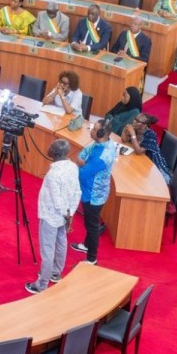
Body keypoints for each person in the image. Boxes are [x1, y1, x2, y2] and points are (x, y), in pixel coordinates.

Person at [29, 139, 81, 294]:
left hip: (51, 216)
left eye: (50, 146)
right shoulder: (73, 167)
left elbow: (56, 200)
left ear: (54, 153)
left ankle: (41, 284)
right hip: (64, 215)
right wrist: (70, 214)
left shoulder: (53, 174)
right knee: (61, 244)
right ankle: (55, 272)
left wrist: (65, 213)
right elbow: (77, 191)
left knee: (48, 249)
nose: (48, 147)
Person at [72, 119, 121, 264]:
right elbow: (85, 151)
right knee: (90, 222)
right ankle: (86, 245)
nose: (91, 131)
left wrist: (82, 163)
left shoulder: (103, 156)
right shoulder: (101, 143)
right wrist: (82, 160)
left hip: (94, 195)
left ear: (101, 133)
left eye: (94, 130)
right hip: (90, 190)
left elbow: (83, 173)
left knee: (92, 226)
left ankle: (92, 258)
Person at [121, 112, 169, 177]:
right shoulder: (135, 129)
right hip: (139, 159)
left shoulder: (150, 134)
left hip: (153, 164)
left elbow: (138, 151)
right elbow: (124, 140)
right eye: (135, 119)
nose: (134, 122)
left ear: (145, 125)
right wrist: (125, 130)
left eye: (138, 121)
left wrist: (133, 135)